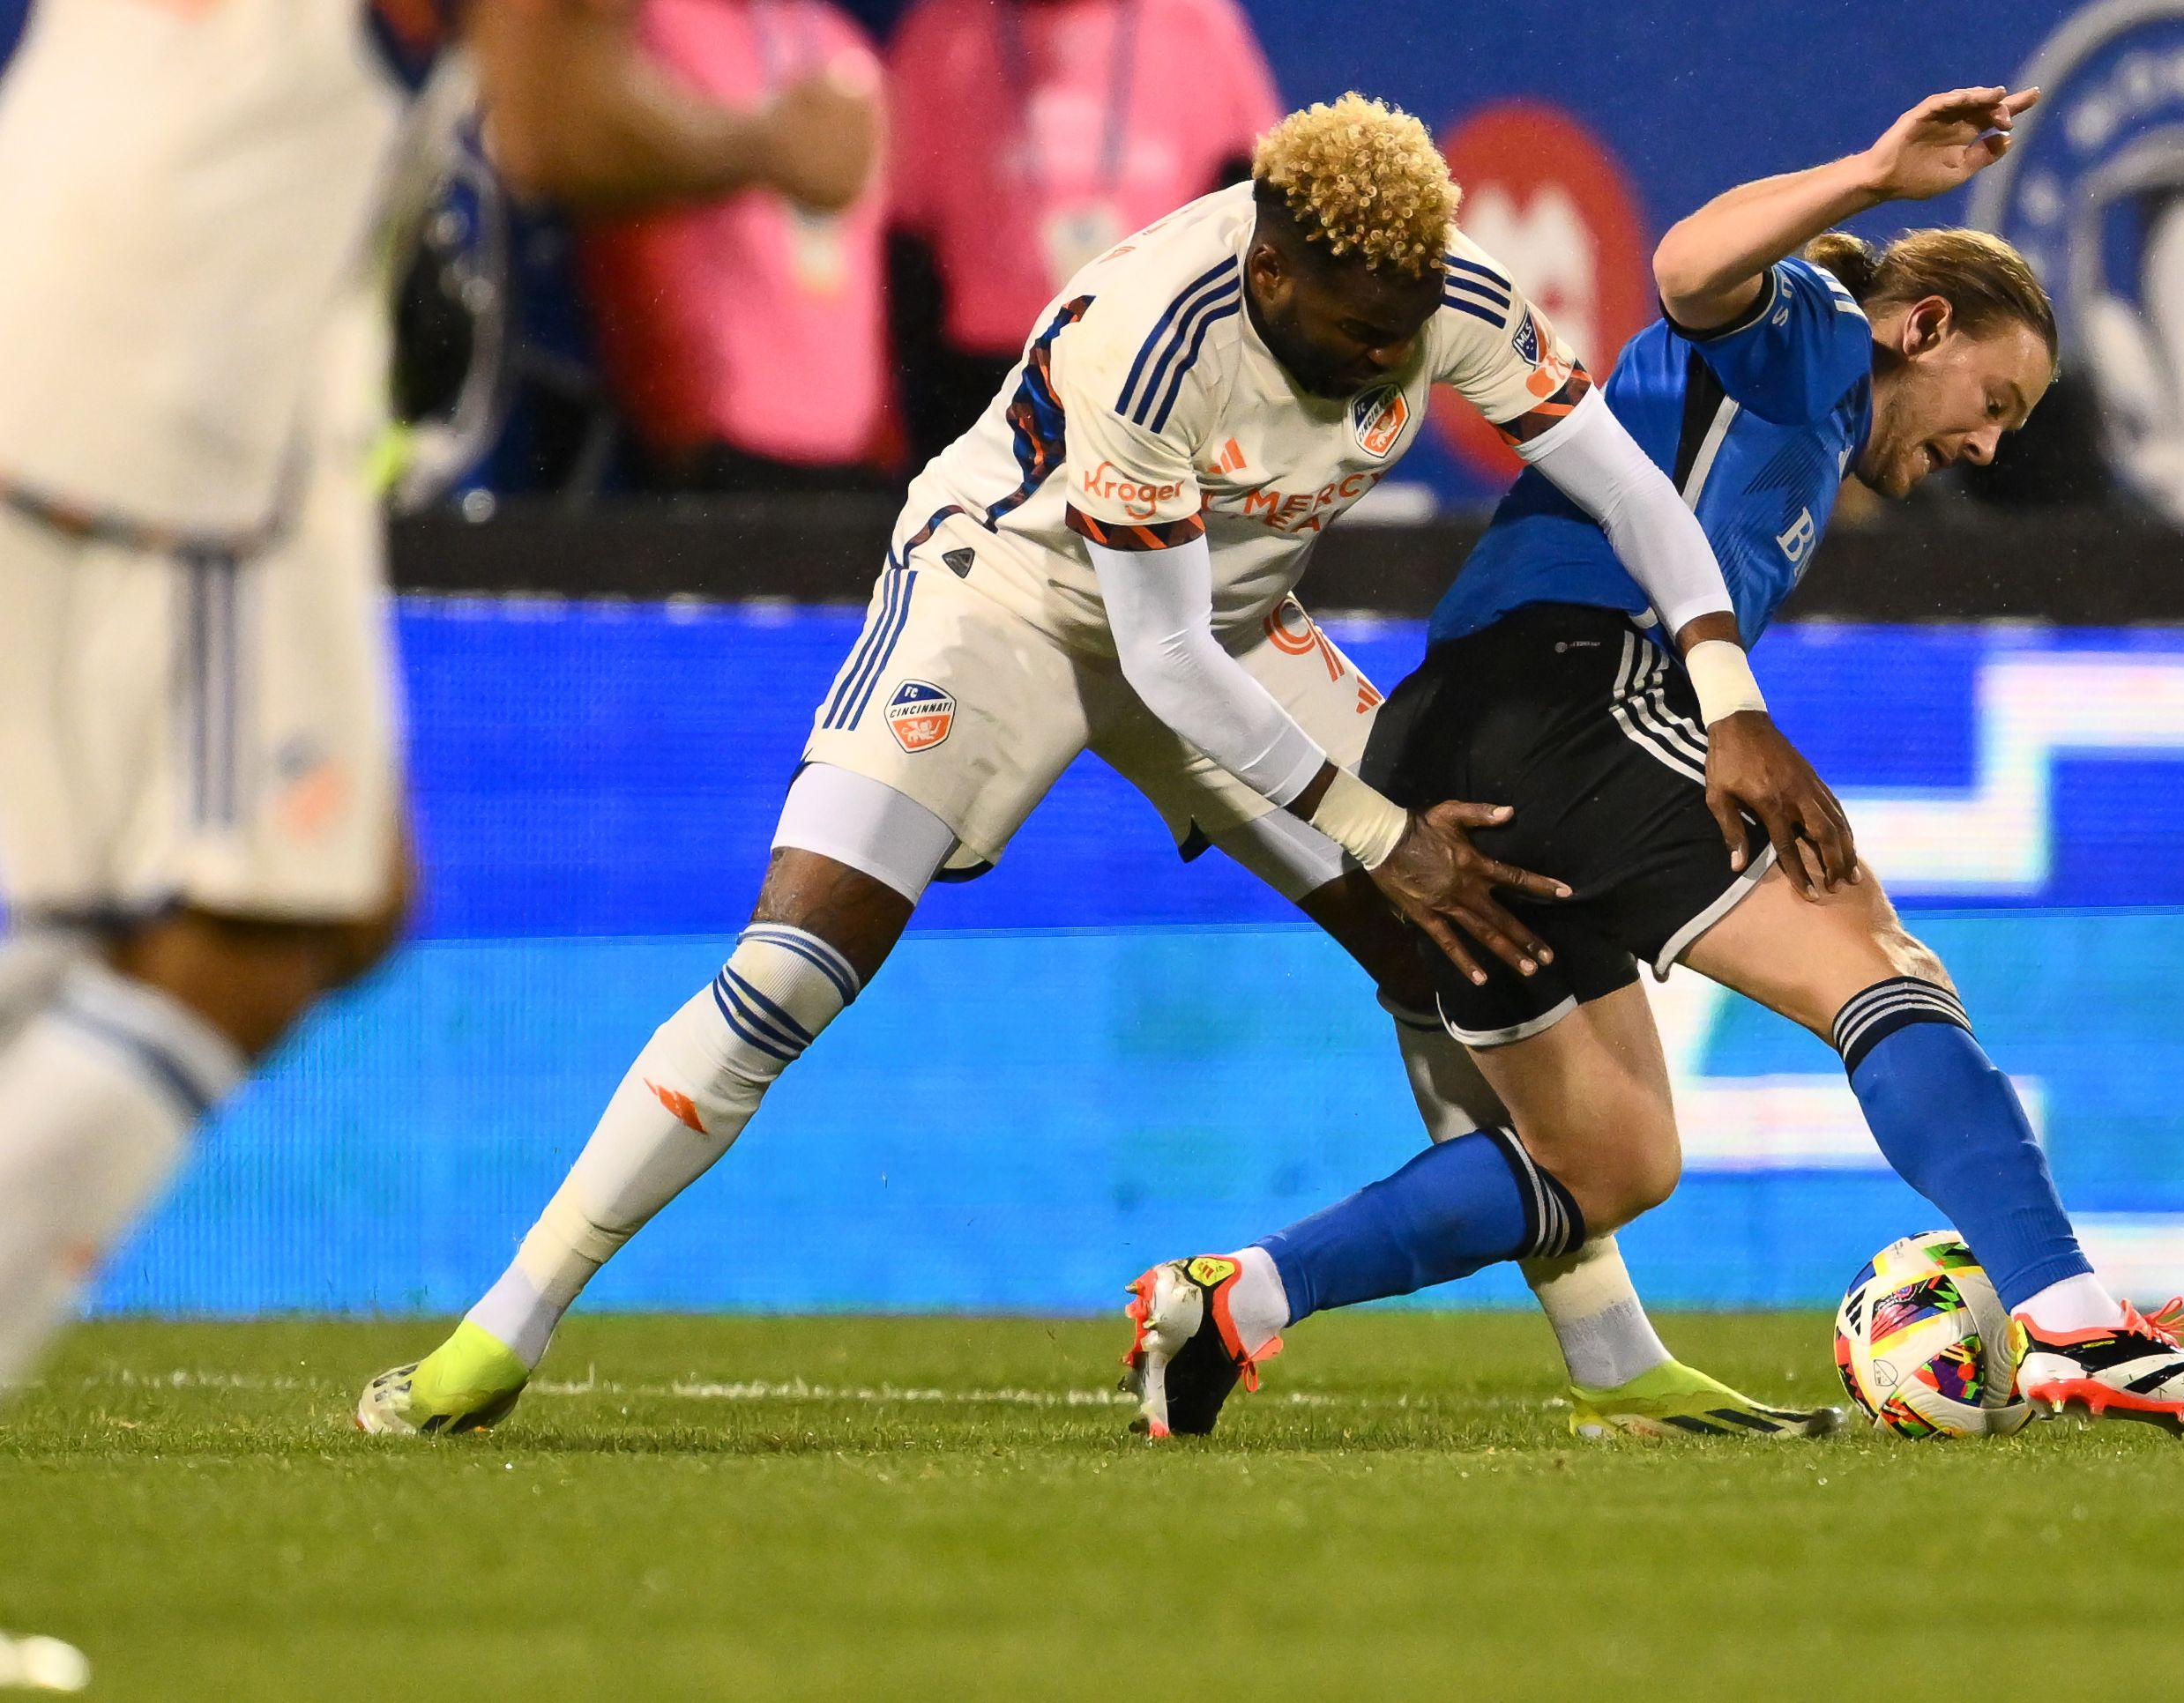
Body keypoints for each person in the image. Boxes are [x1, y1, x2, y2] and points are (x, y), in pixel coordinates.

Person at [356, 95, 1851, 1442]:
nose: (1386, 361)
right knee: (796, 966)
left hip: (1236, 620)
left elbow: (1635, 496)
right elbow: (1157, 659)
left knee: (1454, 931)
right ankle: (505, 1325)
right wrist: (1371, 821)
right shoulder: (1157, 332)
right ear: (1272, 274)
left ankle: (1613, 1358)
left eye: (1404, 332)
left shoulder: (1440, 284)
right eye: (1352, 332)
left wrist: (1725, 691)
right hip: (1009, 599)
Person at [1122, 86, 2184, 1443]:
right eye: (1990, 402)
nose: (1982, 444)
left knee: (1608, 1159)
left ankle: (1240, 1299)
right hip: (1566, 696)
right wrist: (1869, 170)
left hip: (1456, 744)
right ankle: (2072, 1317)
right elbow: (1684, 267)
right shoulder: (1811, 342)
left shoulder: (1798, 450)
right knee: (1878, 963)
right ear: (1919, 329)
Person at [0, 0, 881, 1393]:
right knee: (247, 931)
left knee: (321, 897)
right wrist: (775, 142)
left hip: (99, 270)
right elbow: (556, 125)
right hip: (185, 343)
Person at [883, 0, 1281, 459]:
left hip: (1149, 366)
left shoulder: (1194, 19)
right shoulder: (945, 26)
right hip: (985, 376)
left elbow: (1257, 196)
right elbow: (901, 229)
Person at [575, 0, 899, 492]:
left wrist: (884, 433)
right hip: (715, 438)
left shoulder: (844, 43)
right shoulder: (652, 22)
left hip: (852, 445)